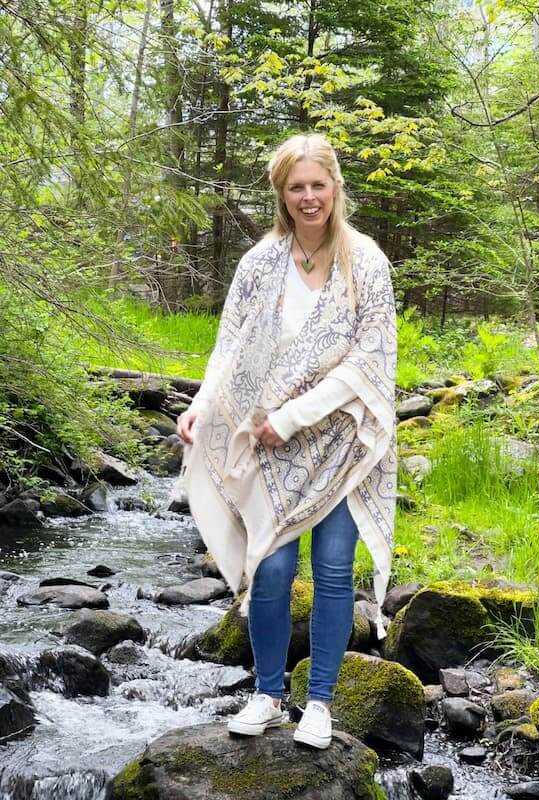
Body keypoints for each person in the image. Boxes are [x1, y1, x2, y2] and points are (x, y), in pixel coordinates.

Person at [176, 133, 397, 750]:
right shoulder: (259, 263)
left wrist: (295, 415)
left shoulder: (367, 262)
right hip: (269, 442)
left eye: (317, 185)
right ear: (281, 193)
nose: (307, 198)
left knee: (331, 572)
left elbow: (370, 362)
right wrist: (199, 405)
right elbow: (229, 349)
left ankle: (319, 704)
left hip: (344, 440)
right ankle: (268, 695)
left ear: (335, 188)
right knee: (270, 571)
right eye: (295, 187)